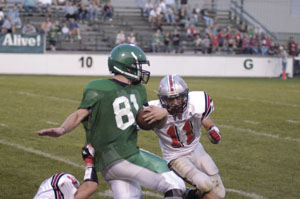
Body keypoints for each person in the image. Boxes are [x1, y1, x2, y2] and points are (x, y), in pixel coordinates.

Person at [37, 44, 186, 199]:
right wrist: (62, 129)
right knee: (174, 184)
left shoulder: (130, 89)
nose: (140, 70)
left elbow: (148, 122)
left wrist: (162, 115)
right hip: (125, 155)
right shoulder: (101, 88)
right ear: (126, 67)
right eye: (137, 66)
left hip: (106, 164)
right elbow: (80, 114)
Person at [148, 74, 226, 199]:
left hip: (196, 149)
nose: (175, 103)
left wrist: (212, 129)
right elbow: (134, 126)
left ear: (185, 95)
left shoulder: (196, 103)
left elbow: (204, 118)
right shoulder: (153, 111)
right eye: (170, 99)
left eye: (178, 98)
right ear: (162, 99)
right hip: (175, 157)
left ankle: (189, 195)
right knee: (204, 184)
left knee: (219, 193)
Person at [34, 143, 98, 199]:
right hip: (57, 184)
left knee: (89, 189)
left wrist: (88, 159)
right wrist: (88, 159)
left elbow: (90, 187)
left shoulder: (62, 186)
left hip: (59, 184)